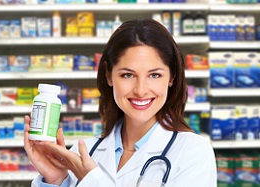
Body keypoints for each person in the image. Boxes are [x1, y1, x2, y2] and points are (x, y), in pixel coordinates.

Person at [24, 18, 217, 187]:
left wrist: (91, 181)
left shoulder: (193, 151)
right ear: (109, 75)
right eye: (127, 75)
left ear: (172, 77)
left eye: (154, 75)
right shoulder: (84, 152)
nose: (141, 90)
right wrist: (55, 181)